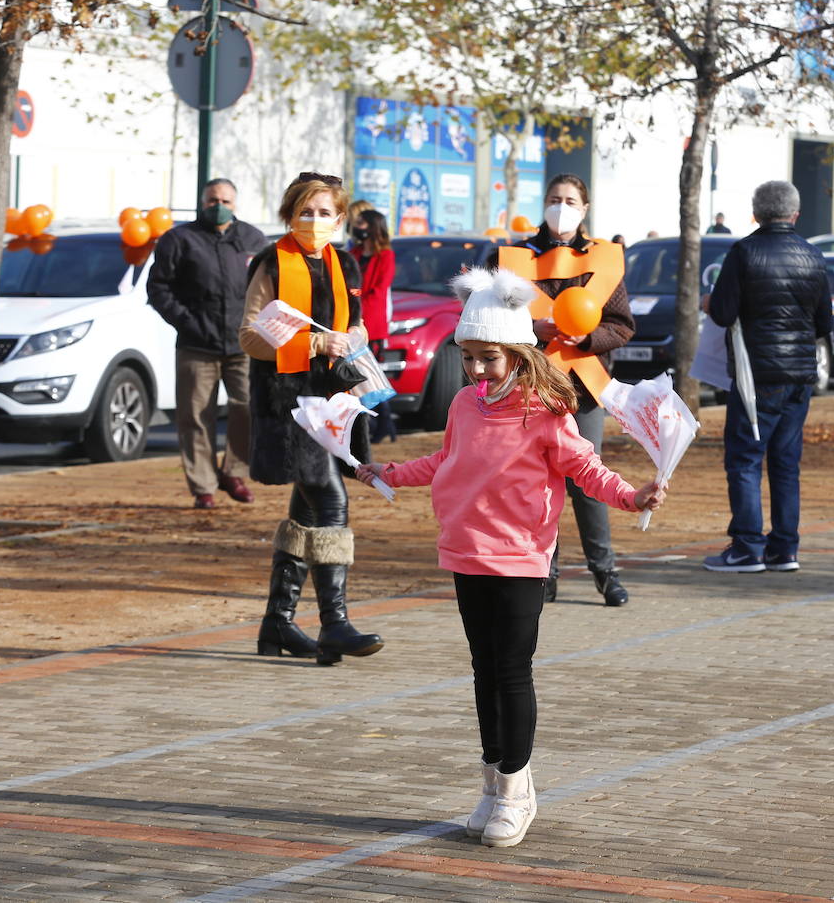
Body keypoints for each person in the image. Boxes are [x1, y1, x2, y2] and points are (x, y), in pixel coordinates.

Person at [355, 268, 665, 848]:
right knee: (483, 669)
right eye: (468, 357)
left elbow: (586, 468)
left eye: (489, 358)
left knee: (512, 670)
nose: (476, 369)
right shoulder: (464, 405)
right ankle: (493, 781)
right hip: (465, 550)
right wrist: (389, 473)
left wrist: (631, 496)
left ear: (519, 354)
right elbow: (445, 461)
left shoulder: (546, 410)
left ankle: (518, 791)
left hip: (520, 558)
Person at [239, 172, 384, 666]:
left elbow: (357, 323)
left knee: (307, 509)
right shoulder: (272, 262)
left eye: (324, 213)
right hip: (289, 403)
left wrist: (355, 337)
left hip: (333, 400)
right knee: (330, 499)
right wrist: (316, 342)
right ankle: (334, 624)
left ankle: (278, 622)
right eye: (306, 211)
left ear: (339, 219)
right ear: (289, 215)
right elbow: (250, 337)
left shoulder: (344, 262)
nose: (315, 220)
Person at [487, 173, 637, 607]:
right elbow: (489, 317)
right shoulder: (513, 258)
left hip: (583, 389)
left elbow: (622, 325)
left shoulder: (603, 260)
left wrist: (588, 338)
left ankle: (605, 572)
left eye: (571, 201)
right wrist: (531, 328)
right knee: (534, 482)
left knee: (588, 481)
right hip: (530, 387)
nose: (562, 207)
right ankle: (542, 572)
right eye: (555, 199)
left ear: (584, 209)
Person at [703, 180, 832, 573]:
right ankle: (784, 548)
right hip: (800, 375)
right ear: (795, 214)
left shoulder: (744, 252)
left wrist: (709, 302)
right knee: (786, 462)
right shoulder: (813, 256)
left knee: (744, 459)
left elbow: (723, 313)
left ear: (755, 213)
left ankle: (747, 547)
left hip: (755, 374)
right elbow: (825, 322)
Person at [148, 177, 268, 509]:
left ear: (235, 204)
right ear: (202, 203)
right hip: (196, 345)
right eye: (213, 200)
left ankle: (234, 472)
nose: (219, 207)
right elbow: (158, 288)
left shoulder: (253, 239)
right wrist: (187, 321)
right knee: (195, 416)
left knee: (248, 407)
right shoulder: (179, 239)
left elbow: (270, 287)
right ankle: (203, 486)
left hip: (244, 344)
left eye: (226, 201)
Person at [351, 208, 397, 444]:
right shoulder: (354, 253)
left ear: (373, 227)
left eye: (361, 223)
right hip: (353, 320)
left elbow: (378, 290)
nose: (357, 227)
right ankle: (384, 422)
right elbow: (349, 284)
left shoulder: (385, 256)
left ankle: (384, 421)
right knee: (361, 374)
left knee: (370, 373)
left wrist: (356, 298)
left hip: (372, 323)